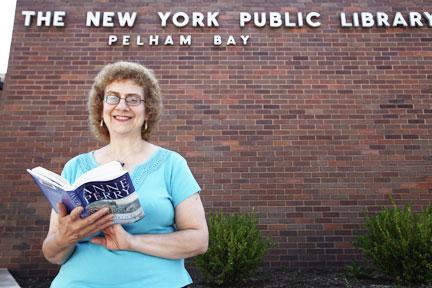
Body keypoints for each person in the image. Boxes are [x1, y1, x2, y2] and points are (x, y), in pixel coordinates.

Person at [42, 61, 209, 288]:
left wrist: (130, 242)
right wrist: (66, 237)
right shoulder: (75, 167)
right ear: (101, 108)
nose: (122, 106)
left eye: (133, 99)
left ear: (147, 110)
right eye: (113, 97)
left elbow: (199, 240)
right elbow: (53, 254)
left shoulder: (172, 164)